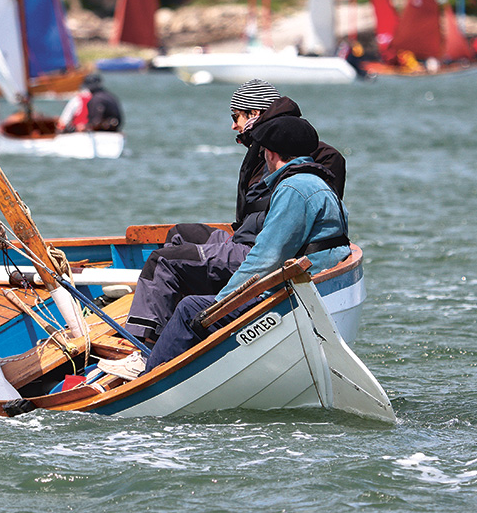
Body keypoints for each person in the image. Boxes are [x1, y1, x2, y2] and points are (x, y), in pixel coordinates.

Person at [101, 116, 351, 379]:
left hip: (287, 293)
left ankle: (149, 375)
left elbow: (266, 259)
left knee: (189, 309)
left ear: (271, 153)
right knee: (191, 294)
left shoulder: (293, 188)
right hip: (311, 285)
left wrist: (222, 304)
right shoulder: (320, 182)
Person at [122, 79, 345, 345]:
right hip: (247, 239)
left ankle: (141, 344)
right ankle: (174, 320)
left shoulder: (311, 157)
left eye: (236, 116)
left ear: (255, 114)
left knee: (163, 261)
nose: (233, 125)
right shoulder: (260, 148)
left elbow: (293, 233)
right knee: (181, 234)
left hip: (264, 248)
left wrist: (222, 304)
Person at [57, 73, 123, 133]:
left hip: (94, 130)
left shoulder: (93, 99)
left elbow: (62, 123)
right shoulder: (109, 96)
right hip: (110, 130)